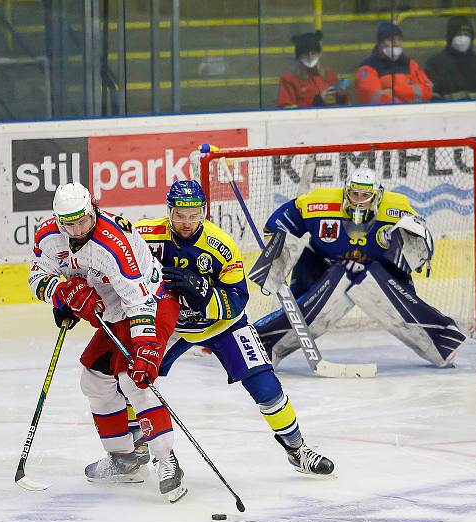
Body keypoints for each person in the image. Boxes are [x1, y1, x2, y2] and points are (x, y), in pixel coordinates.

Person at [135, 180, 335, 476]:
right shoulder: (143, 235)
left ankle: (297, 448)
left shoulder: (221, 246)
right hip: (171, 326)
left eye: (193, 215)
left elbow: (237, 301)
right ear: (169, 211)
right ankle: (136, 449)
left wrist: (202, 292)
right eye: (179, 215)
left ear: (203, 211)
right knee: (133, 376)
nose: (187, 222)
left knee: (265, 386)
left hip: (222, 325)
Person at [28, 182, 187, 503]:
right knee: (95, 379)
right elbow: (36, 278)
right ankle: (124, 458)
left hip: (152, 301)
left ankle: (167, 459)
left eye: (82, 220)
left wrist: (144, 350)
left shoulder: (112, 243)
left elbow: (138, 301)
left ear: (93, 211)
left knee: (134, 379)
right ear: (58, 221)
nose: (77, 229)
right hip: (115, 309)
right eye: (68, 223)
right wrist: (62, 294)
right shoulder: (47, 236)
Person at [251, 167, 467, 368]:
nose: (359, 200)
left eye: (365, 196)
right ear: (346, 192)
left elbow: (419, 250)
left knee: (372, 283)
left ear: (377, 196)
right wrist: (277, 249)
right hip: (320, 266)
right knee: (315, 301)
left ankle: (441, 340)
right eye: (354, 194)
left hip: (377, 270)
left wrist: (417, 244)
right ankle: (264, 343)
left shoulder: (396, 210)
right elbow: (278, 223)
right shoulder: (319, 203)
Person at [424, 15, 476, 101]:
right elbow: (433, 100)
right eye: (459, 34)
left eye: (466, 34)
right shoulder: (435, 65)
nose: (463, 38)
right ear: (450, 36)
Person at [355, 21, 433, 105]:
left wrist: (393, 91)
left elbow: (427, 91)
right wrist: (409, 91)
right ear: (380, 43)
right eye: (390, 40)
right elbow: (376, 100)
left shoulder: (410, 64)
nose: (396, 44)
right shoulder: (367, 68)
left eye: (399, 39)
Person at [277, 30, 349, 108]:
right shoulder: (289, 79)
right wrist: (317, 101)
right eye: (305, 54)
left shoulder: (329, 73)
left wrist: (341, 96)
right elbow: (285, 109)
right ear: (299, 57)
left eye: (313, 53)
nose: (310, 57)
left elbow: (343, 105)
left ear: (319, 54)